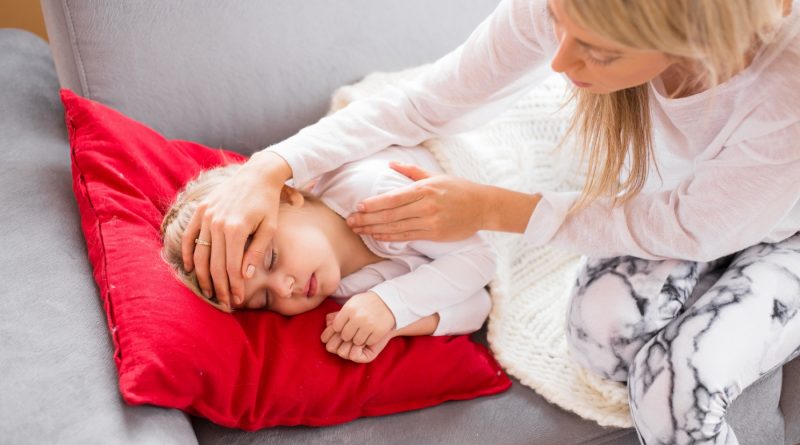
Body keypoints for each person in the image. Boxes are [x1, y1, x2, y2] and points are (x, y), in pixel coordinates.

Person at [180, 0, 800, 442]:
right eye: (559, 20)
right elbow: (427, 102)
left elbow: (691, 227)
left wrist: (490, 211)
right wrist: (265, 169)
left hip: (768, 226)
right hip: (684, 206)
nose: (559, 62)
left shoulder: (784, 83)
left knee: (676, 387)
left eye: (599, 51)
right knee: (602, 340)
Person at [161, 146, 495, 363]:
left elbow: (484, 257)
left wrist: (393, 304)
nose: (283, 289)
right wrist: (392, 324)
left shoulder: (376, 194)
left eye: (271, 259)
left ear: (287, 197)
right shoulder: (344, 289)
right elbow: (479, 304)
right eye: (264, 299)